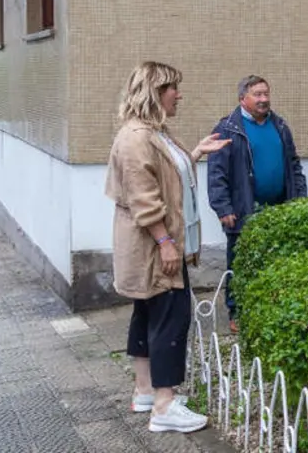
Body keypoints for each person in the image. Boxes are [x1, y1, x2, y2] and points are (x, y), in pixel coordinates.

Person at [106, 61, 229, 433]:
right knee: (170, 317)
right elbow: (145, 199)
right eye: (173, 87)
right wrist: (166, 243)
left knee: (146, 314)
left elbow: (166, 177)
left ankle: (145, 391)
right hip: (152, 249)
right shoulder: (136, 138)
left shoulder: (152, 133)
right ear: (155, 92)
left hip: (152, 247)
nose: (179, 94)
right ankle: (165, 404)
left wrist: (193, 154)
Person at [207, 75, 308, 333]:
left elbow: (293, 165)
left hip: (279, 209)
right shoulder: (228, 128)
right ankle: (236, 311)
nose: (264, 99)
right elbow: (216, 173)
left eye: (266, 94)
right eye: (257, 95)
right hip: (244, 210)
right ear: (243, 98)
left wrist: (299, 198)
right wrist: (223, 208)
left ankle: (271, 308)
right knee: (240, 263)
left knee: (277, 261)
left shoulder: (280, 126)